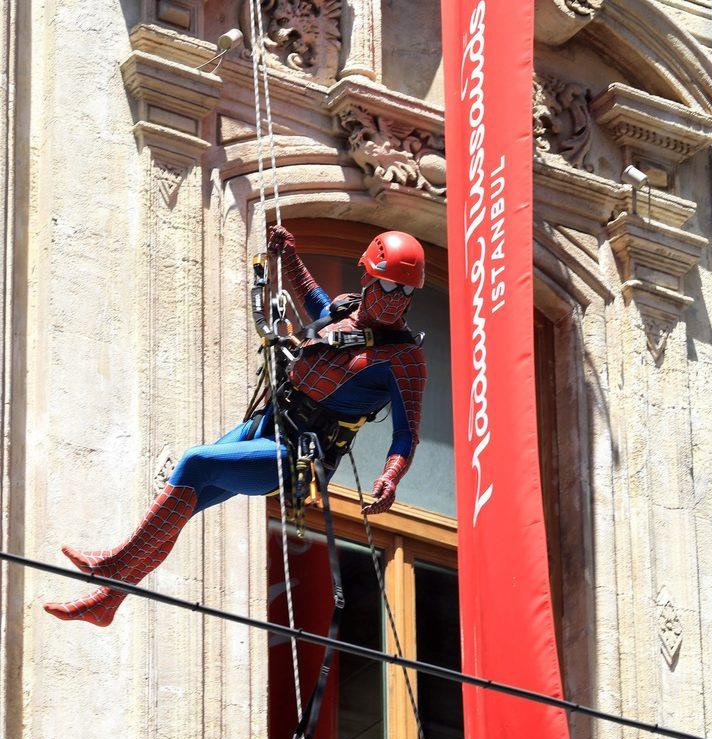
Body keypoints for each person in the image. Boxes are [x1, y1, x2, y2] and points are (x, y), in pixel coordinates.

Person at [44, 225, 427, 626]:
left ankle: (114, 562)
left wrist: (391, 475)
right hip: (268, 423)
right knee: (178, 505)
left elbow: (406, 433)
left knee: (195, 462)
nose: (395, 300)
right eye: (388, 286)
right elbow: (314, 300)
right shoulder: (345, 309)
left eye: (405, 291)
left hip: (295, 457)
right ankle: (107, 602)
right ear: (367, 276)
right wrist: (289, 255)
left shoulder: (404, 359)